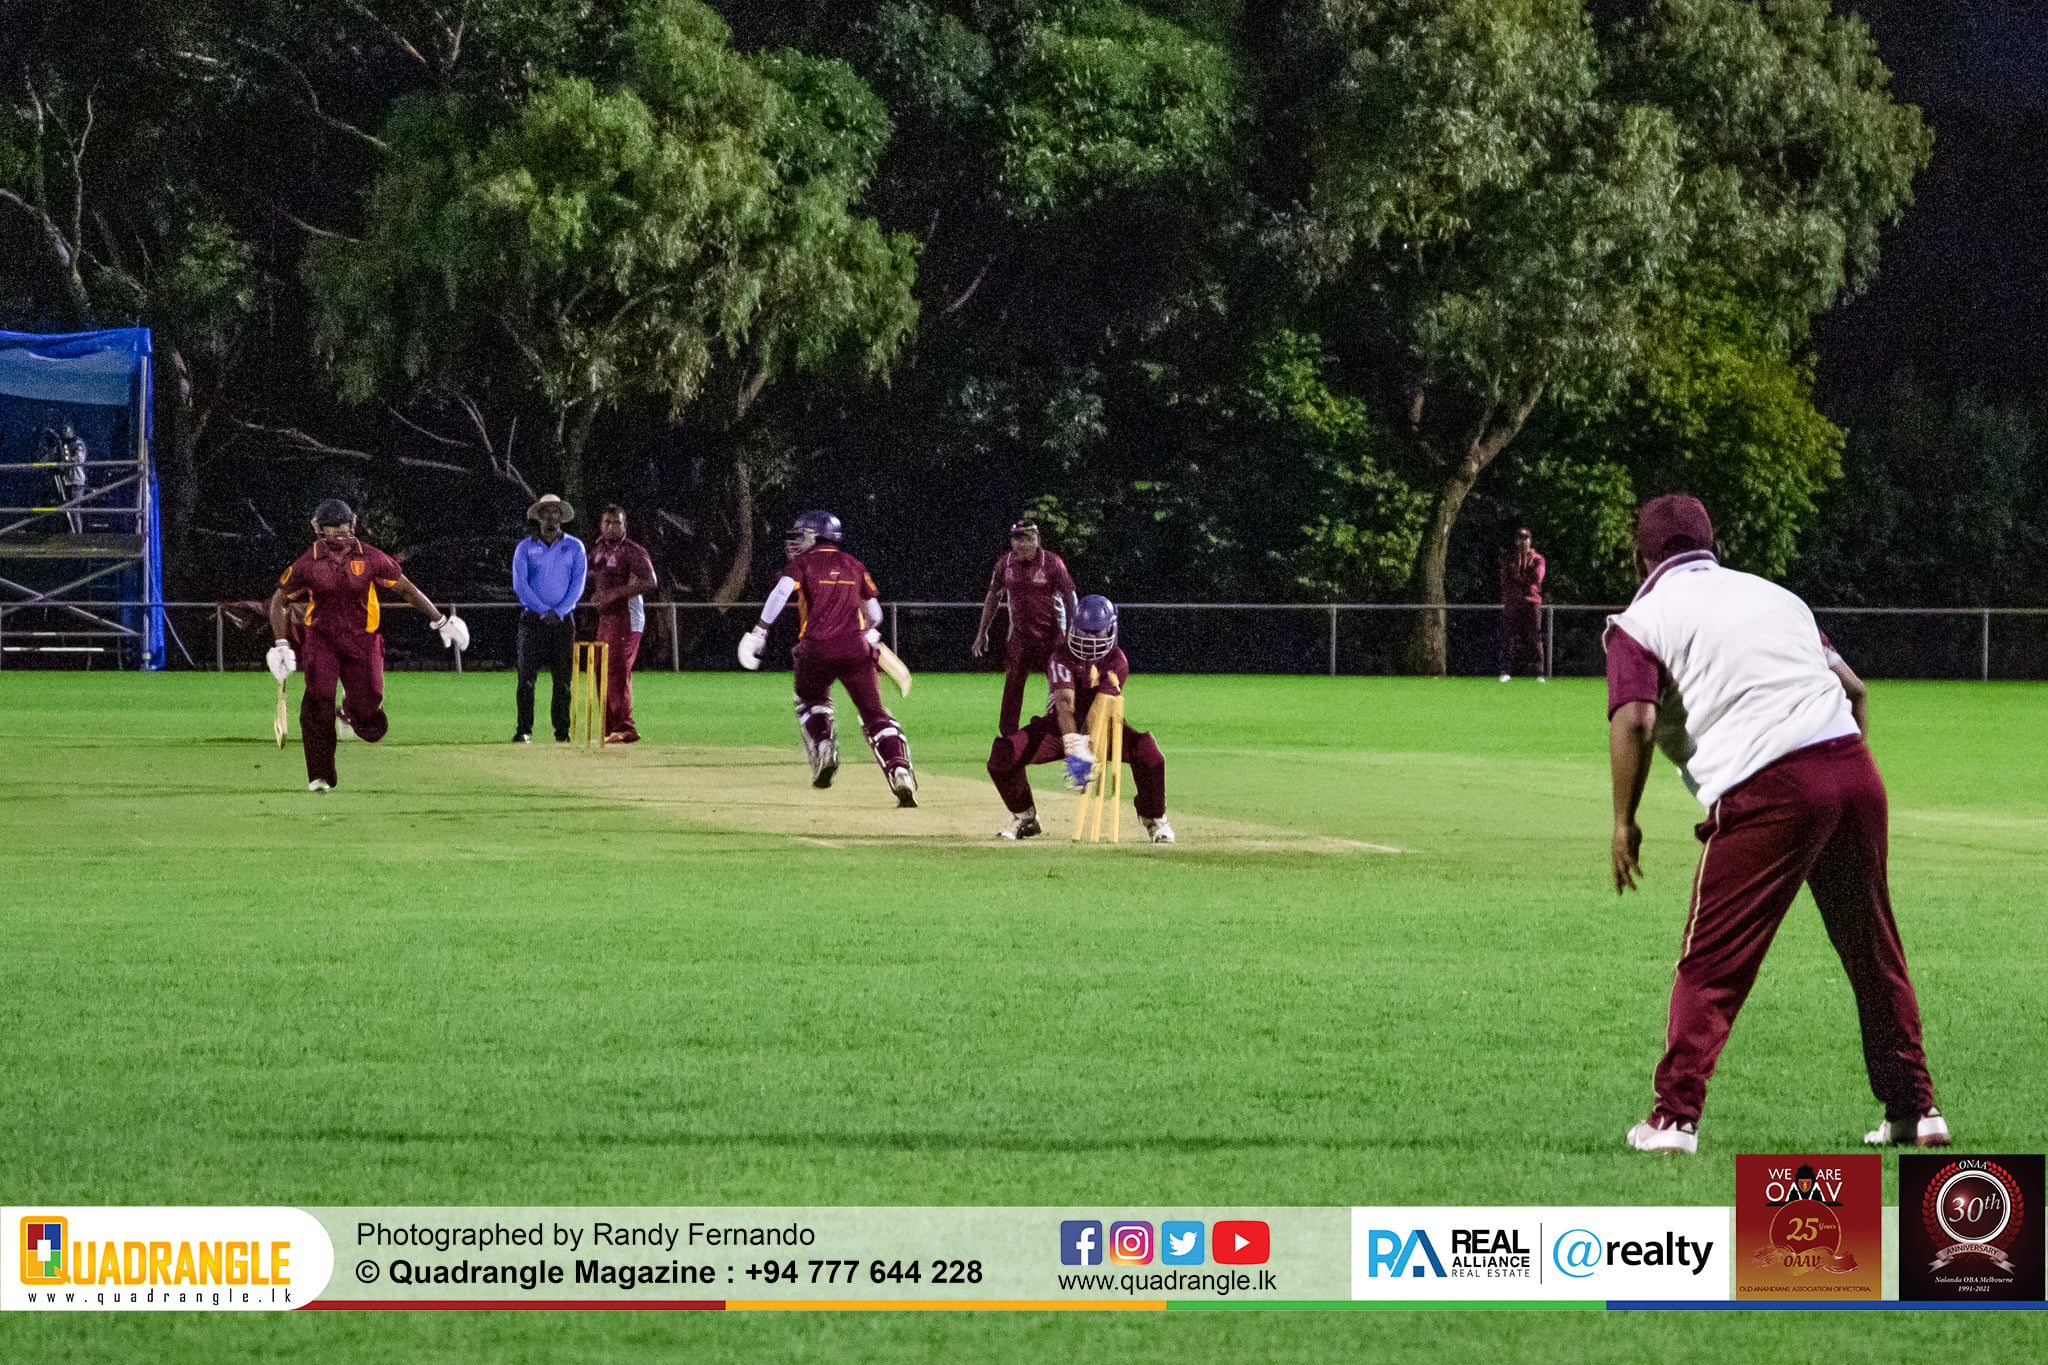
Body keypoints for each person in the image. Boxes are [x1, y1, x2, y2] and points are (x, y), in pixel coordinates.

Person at [1605, 494, 1944, 1155]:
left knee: (1714, 960)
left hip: (1770, 784)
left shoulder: (1639, 620)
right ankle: (1917, 1110)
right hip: (1852, 768)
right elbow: (1854, 689)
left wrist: (1624, 819)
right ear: (1715, 544)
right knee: (1873, 951)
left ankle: (1673, 1119)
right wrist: (1840, 778)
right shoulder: (1778, 597)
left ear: (1640, 556)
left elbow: (1637, 718)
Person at [266, 498, 467, 792]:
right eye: (330, 531)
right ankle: (320, 775)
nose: (337, 536)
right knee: (318, 698)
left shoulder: (372, 558)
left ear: (354, 524)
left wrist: (440, 621)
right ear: (318, 529)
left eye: (343, 530)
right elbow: (279, 600)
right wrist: (281, 644)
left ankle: (351, 709)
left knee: (372, 720)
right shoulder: (307, 563)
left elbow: (407, 589)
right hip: (321, 639)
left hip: (363, 639)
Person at [737, 511, 918, 806]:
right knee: (875, 715)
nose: (795, 543)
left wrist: (759, 631)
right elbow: (875, 615)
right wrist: (870, 633)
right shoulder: (855, 565)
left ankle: (823, 746)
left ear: (815, 535)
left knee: (810, 701)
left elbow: (781, 593)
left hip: (815, 649)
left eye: (799, 536)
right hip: (856, 649)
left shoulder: (802, 563)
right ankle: (899, 769)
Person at [986, 594, 1174, 843]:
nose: (1089, 640)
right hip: (1058, 727)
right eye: (1084, 632)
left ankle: (1155, 819)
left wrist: (1088, 747)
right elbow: (1065, 705)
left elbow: (1098, 710)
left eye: (1096, 633)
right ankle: (1025, 816)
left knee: (1149, 753)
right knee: (1003, 754)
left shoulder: (1117, 661)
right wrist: (1074, 747)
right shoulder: (1060, 656)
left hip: (1104, 727)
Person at [973, 520, 1080, 735]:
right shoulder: (1005, 564)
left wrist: (1071, 631)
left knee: (1062, 687)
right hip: (1021, 637)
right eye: (1017, 539)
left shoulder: (1052, 563)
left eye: (1027, 538)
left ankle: (1065, 732)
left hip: (1052, 637)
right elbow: (994, 595)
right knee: (1012, 685)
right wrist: (982, 632)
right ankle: (1008, 737)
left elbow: (1071, 597)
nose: (1022, 544)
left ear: (1037, 540)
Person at [511, 493, 587, 743]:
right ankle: (524, 729)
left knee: (563, 680)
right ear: (539, 516)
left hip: (563, 621)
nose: (551, 516)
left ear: (561, 516)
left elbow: (577, 585)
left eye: (555, 511)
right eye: (546, 511)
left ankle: (562, 732)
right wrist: (543, 610)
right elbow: (520, 585)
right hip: (533, 620)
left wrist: (560, 611)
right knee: (526, 680)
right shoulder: (525, 547)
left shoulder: (575, 546)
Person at [587, 505, 658, 743]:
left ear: (625, 525)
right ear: (601, 524)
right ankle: (609, 728)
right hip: (605, 618)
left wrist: (615, 593)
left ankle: (626, 727)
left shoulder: (633, 551)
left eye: (616, 522)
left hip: (628, 617)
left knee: (617, 670)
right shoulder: (597, 549)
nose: (611, 526)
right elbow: (591, 578)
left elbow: (650, 581)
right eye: (607, 522)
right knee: (599, 669)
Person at [1499, 527, 1546, 681]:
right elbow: (1506, 580)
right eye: (1520, 538)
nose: (1523, 541)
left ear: (1530, 540)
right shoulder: (1509, 559)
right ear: (1516, 540)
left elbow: (1537, 577)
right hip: (1513, 603)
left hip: (1531, 604)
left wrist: (1523, 575)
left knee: (1534, 639)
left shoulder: (1538, 559)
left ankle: (1538, 673)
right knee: (1508, 638)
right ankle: (1505, 672)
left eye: (1525, 538)